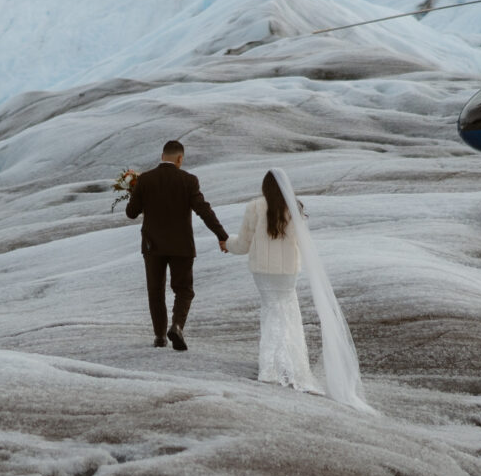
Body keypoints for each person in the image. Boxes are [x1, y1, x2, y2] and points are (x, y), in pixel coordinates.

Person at [226, 167, 372, 412]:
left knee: (271, 312)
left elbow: (242, 244)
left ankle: (271, 367)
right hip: (287, 273)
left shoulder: (254, 207)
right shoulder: (296, 209)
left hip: (263, 272)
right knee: (288, 313)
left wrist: (225, 243)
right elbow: (303, 243)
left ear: (265, 187)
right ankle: (292, 365)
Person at [122, 139, 226, 351]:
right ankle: (177, 326)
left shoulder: (146, 180)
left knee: (155, 290)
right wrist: (221, 235)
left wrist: (135, 190)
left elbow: (131, 213)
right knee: (184, 290)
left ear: (162, 157)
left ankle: (160, 337)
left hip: (153, 246)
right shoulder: (189, 180)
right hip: (181, 246)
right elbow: (203, 210)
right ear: (180, 159)